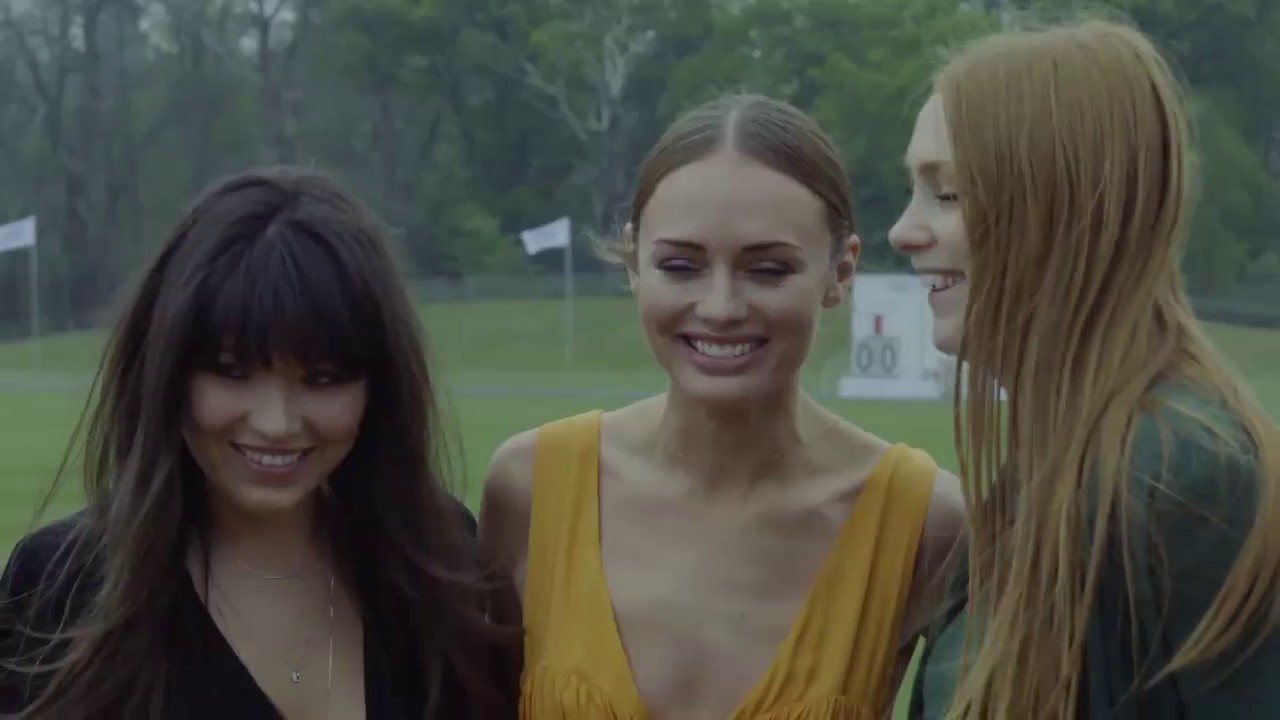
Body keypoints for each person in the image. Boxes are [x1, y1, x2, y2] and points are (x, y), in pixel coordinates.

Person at [479, 93, 966, 719]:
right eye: (681, 265)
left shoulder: (926, 522)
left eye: (768, 270)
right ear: (634, 263)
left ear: (840, 273)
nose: (720, 307)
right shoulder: (531, 487)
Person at [0, 167, 519, 718]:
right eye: (232, 372)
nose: (276, 423)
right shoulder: (61, 586)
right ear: (166, 373)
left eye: (323, 379)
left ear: (378, 388)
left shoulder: (441, 563)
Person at [889, 17, 1280, 719]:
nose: (903, 231)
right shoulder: (1057, 466)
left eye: (948, 194)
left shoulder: (1184, 479)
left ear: (1063, 208)